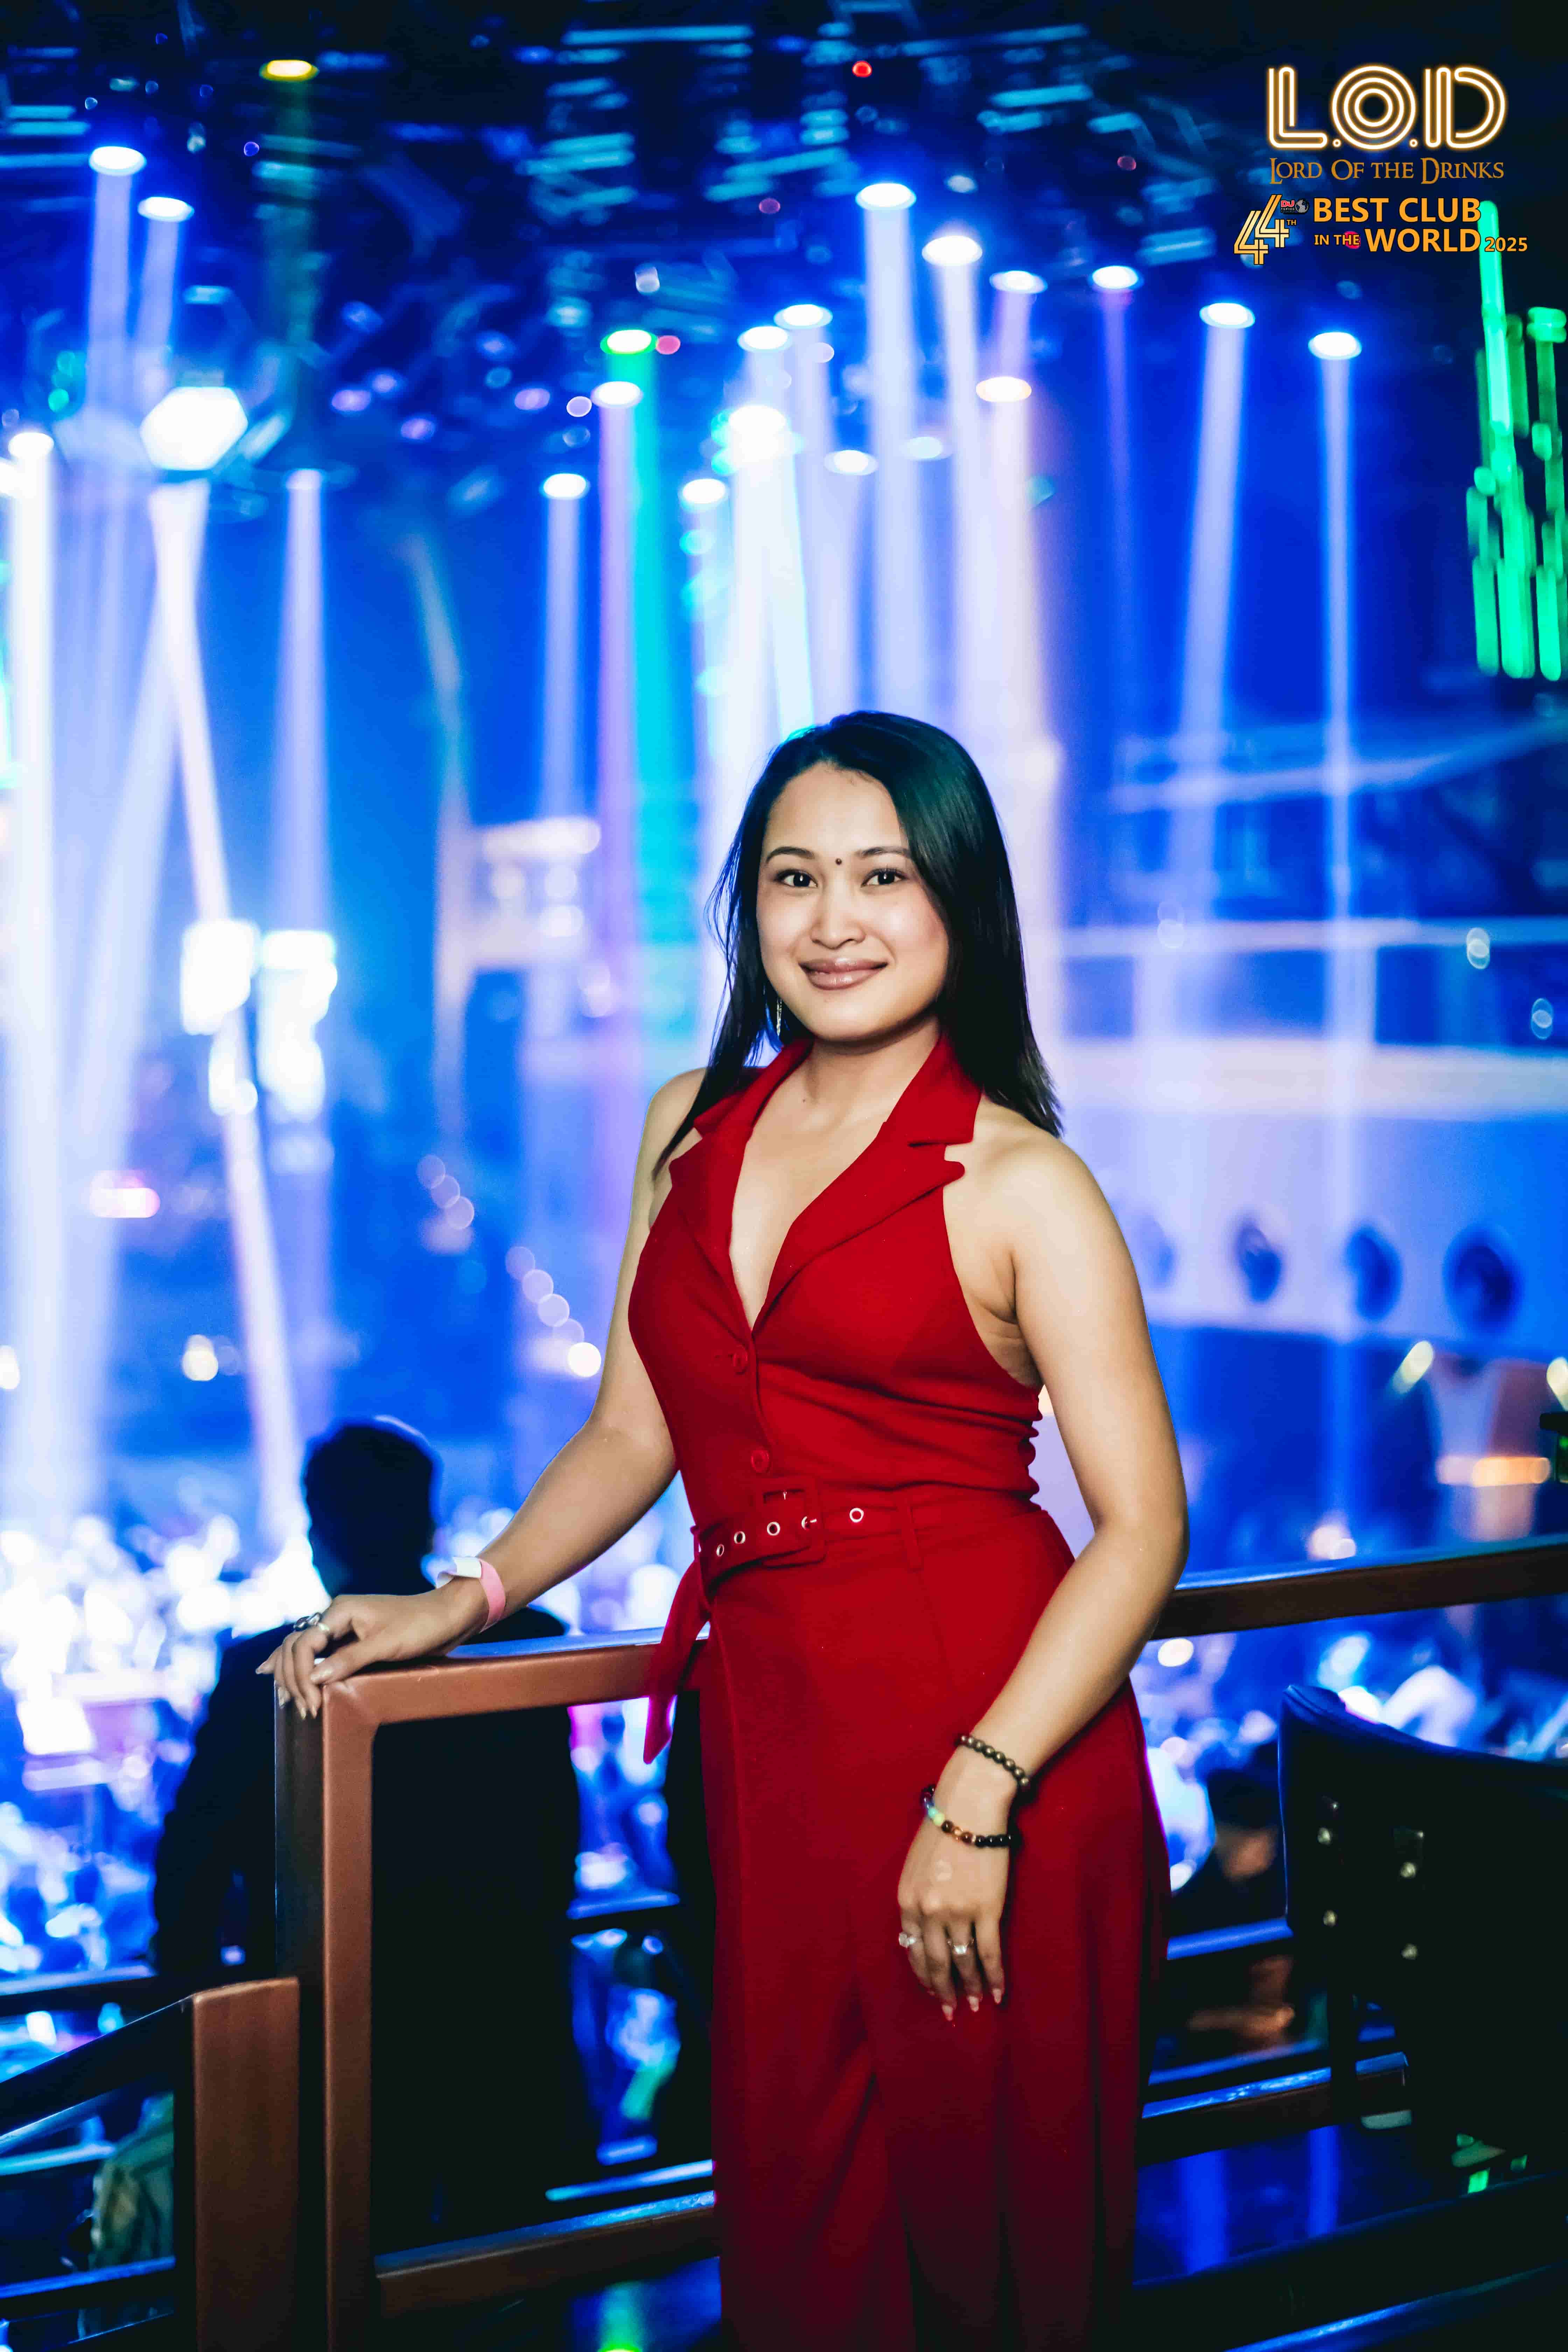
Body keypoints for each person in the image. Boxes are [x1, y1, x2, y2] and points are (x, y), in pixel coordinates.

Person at [265, 714, 1186, 2348]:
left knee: (991, 2256)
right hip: (767, 1745)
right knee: (805, 2232)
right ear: (748, 906)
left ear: (959, 901)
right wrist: (463, 1599)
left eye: (883, 877)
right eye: (793, 878)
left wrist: (981, 1795)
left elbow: (1142, 1529)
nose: (834, 921)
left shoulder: (1020, 1180)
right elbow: (636, 1432)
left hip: (988, 1737)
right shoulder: (689, 1127)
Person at [159, 1418, 592, 2239]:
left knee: (350, 2255)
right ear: (429, 1522)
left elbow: (194, 1857)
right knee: (514, 2255)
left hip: (338, 2035)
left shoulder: (263, 1670)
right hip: (502, 2017)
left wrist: (186, 1994)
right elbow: (555, 1833)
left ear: (317, 1532)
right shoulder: (526, 1644)